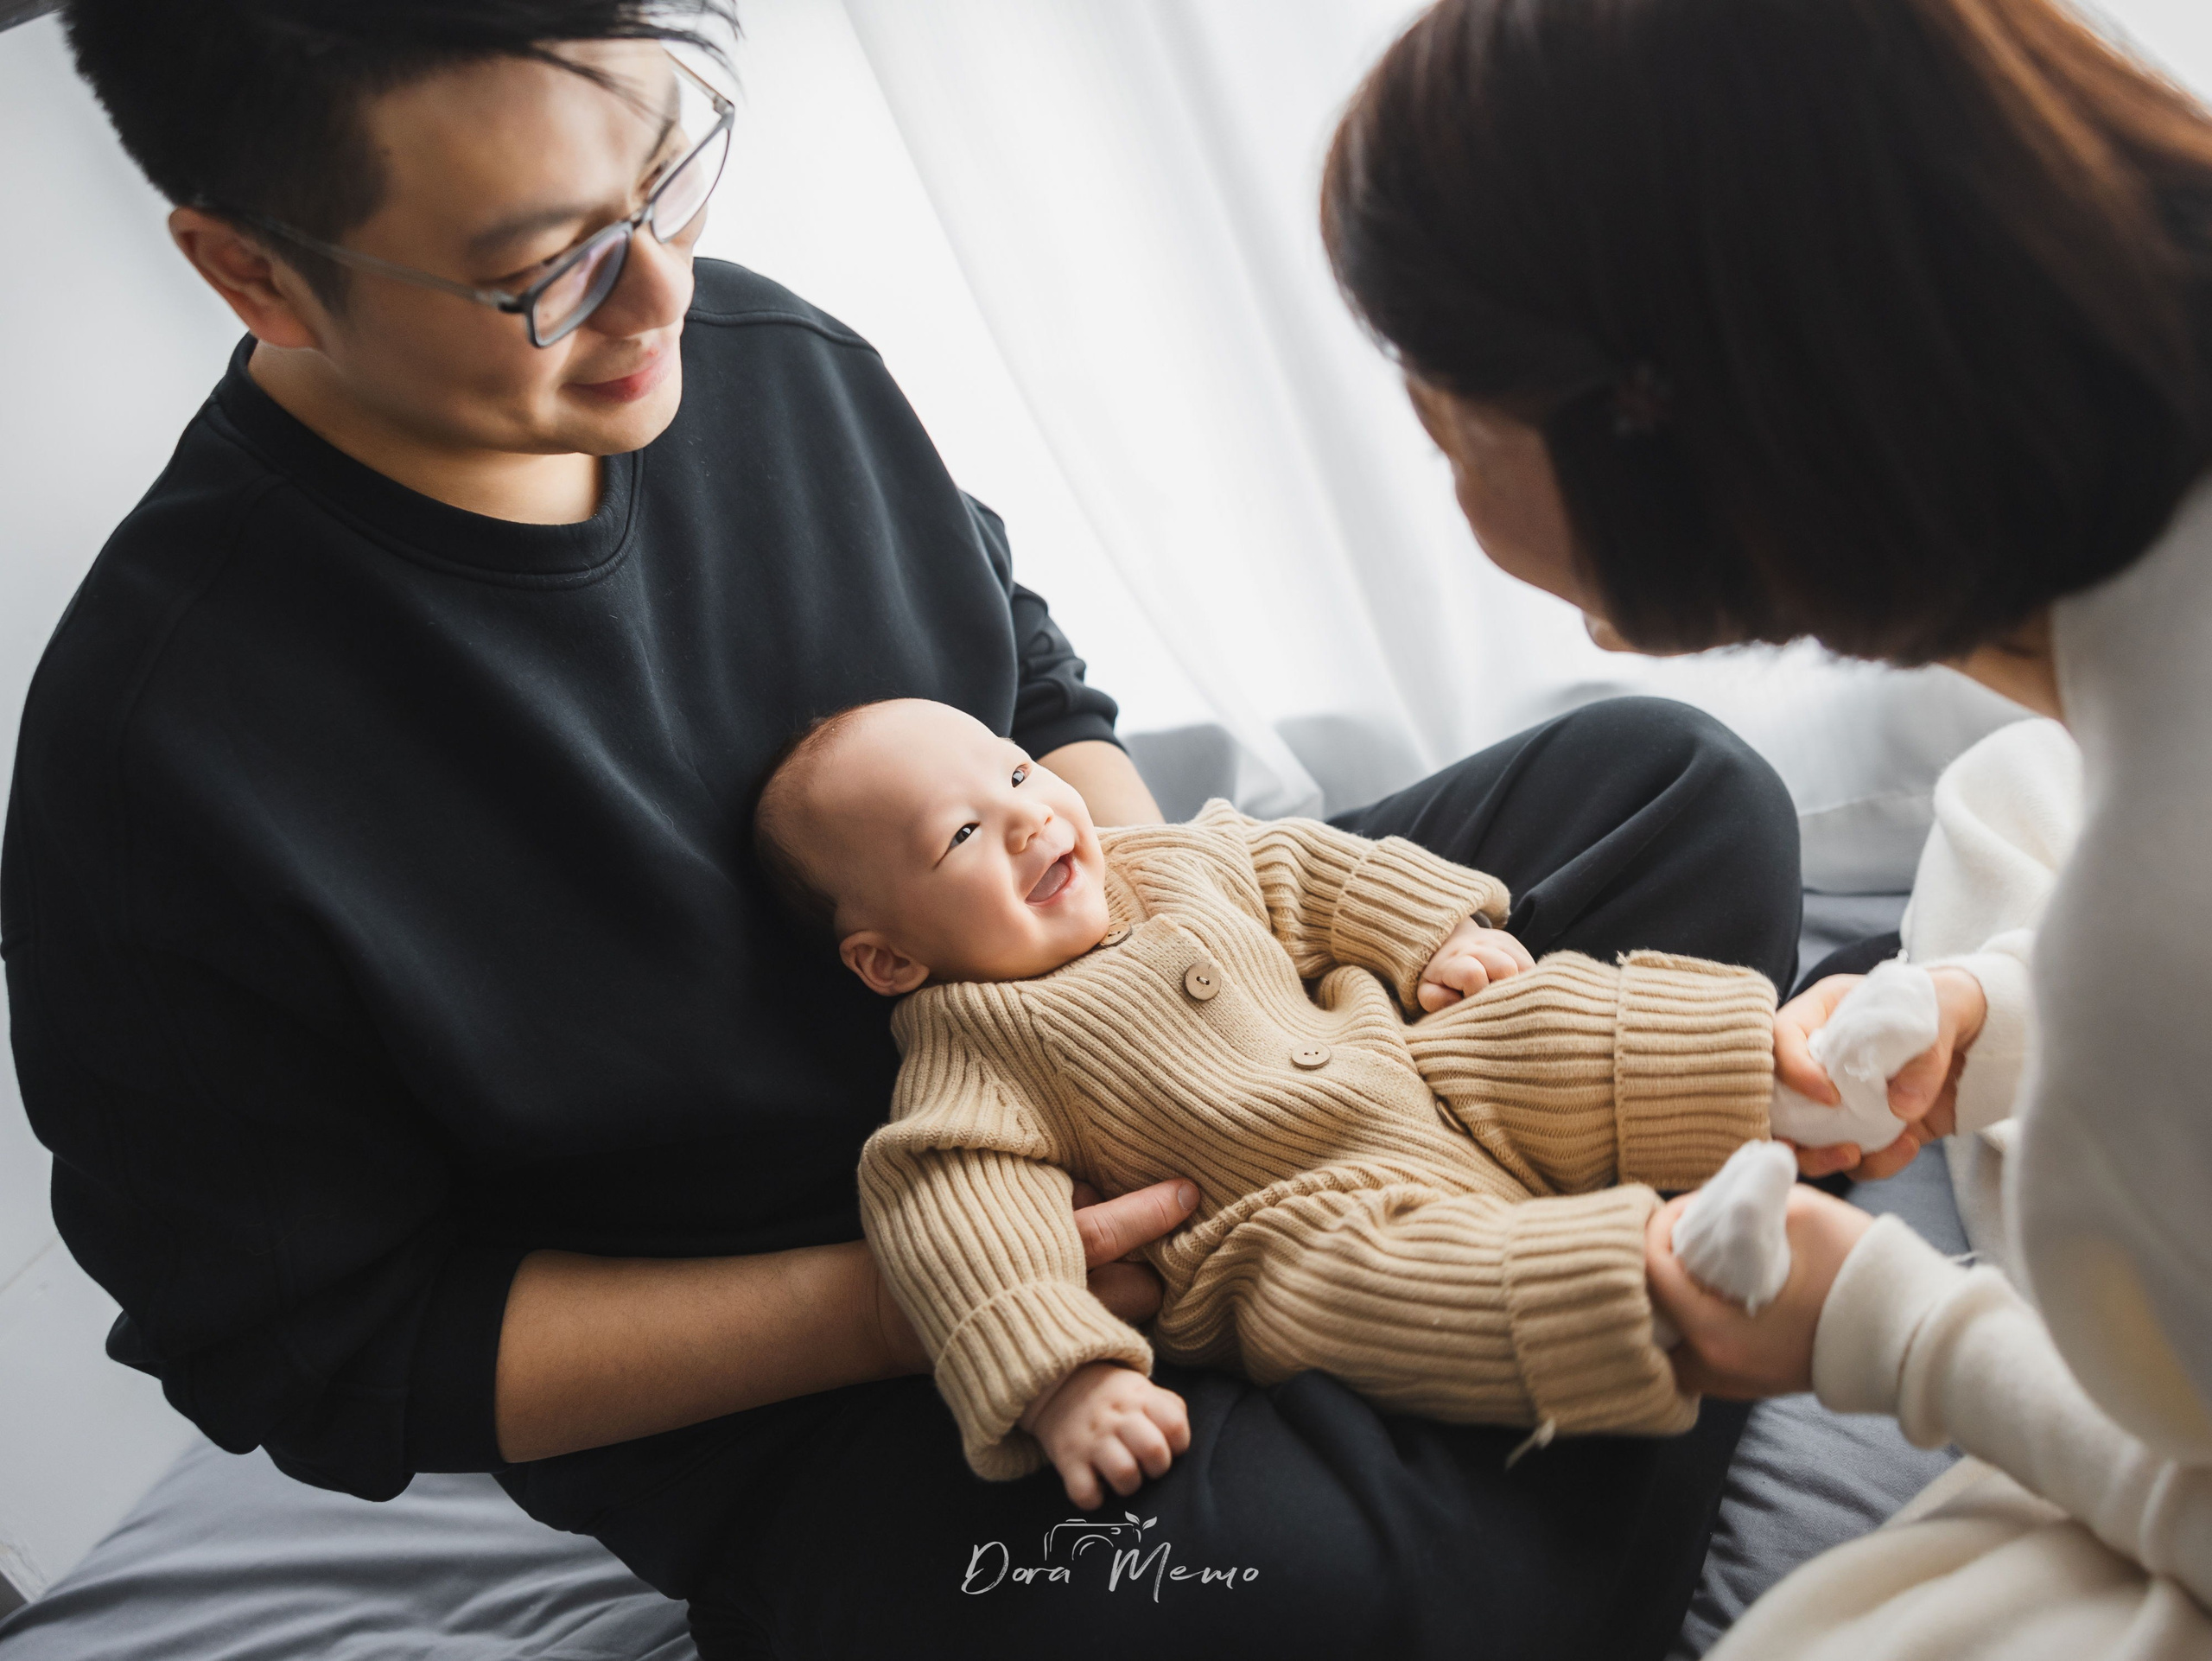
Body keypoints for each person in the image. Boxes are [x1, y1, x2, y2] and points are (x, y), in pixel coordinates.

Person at [2, 3, 1799, 1656]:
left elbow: (1033, 700)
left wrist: (1188, 972)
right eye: (548, 272)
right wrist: (930, 1294)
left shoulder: (771, 360)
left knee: (1669, 786)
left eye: (665, 179)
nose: (662, 299)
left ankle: (1482, 1416)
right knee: (1278, 1598)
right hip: (855, 1380)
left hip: (1195, 1071)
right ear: (257, 272)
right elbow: (333, 1350)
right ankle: (1569, 1350)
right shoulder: (162, 770)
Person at [1322, 0, 2212, 1650]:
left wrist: (1888, 1328)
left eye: (1444, 404)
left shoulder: (2151, 938)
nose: (1435, 470)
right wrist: (2002, 1014)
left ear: (1654, 421)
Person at [753, 697, 1779, 1505]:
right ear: (889, 958)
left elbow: (1309, 867)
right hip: (1281, 1228)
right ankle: (1651, 1289)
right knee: (1388, 1283)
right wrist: (1067, 1378)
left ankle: (1783, 1078)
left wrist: (1435, 937)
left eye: (1019, 768)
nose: (1029, 811)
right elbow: (960, 1217)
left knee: (1541, 1019)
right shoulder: (970, 1047)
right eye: (966, 830)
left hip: (1407, 1066)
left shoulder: (1171, 858)